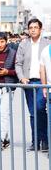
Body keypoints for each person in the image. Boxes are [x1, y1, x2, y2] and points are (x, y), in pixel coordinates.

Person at [15, 18, 51, 151]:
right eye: (31, 28)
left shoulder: (47, 44)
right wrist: (21, 78)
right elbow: (18, 64)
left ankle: (45, 140)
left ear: (40, 29)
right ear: (28, 30)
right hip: (29, 82)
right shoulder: (23, 44)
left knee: (41, 110)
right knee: (32, 112)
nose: (33, 30)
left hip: (43, 83)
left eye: (36, 27)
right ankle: (35, 141)